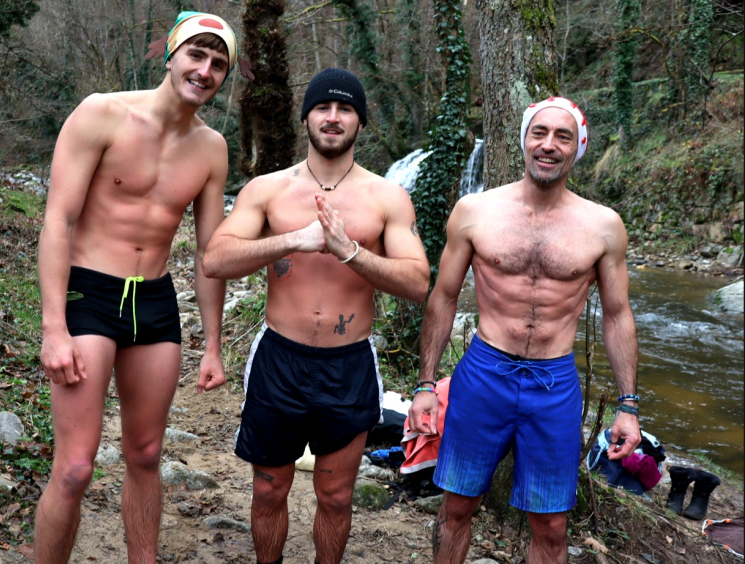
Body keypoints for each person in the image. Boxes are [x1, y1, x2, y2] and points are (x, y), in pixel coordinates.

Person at [202, 67, 430, 564]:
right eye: (323, 107)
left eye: (345, 108)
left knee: (336, 497)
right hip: (278, 358)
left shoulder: (386, 197)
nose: (333, 117)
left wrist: (349, 250)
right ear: (306, 117)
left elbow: (418, 283)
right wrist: (295, 239)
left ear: (360, 123)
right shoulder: (268, 190)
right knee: (268, 492)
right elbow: (215, 260)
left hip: (348, 364)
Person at [34, 12, 236, 563]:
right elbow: (59, 220)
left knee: (146, 454)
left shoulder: (212, 148)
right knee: (75, 466)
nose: (205, 69)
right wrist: (54, 326)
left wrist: (213, 343)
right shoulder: (102, 113)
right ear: (170, 55)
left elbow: (206, 251)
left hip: (154, 301)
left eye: (219, 63)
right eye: (196, 54)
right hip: (89, 294)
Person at [408, 97, 642, 564]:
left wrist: (628, 406)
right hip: (483, 374)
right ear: (523, 140)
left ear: (578, 149)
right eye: (539, 133)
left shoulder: (604, 226)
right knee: (457, 505)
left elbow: (618, 315)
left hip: (554, 383)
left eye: (563, 136)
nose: (549, 145)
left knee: (552, 524)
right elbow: (444, 297)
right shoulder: (475, 211)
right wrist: (426, 386)